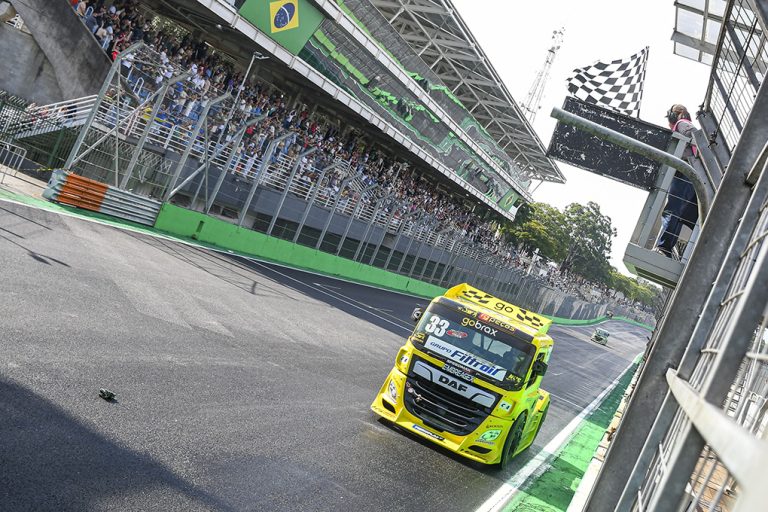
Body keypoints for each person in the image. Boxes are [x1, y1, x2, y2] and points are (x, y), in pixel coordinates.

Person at [655, 104, 699, 257]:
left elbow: (696, 137)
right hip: (688, 172)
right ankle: (666, 247)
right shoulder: (683, 125)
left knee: (672, 210)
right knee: (680, 213)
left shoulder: (682, 124)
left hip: (685, 171)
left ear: (673, 116)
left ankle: (664, 247)